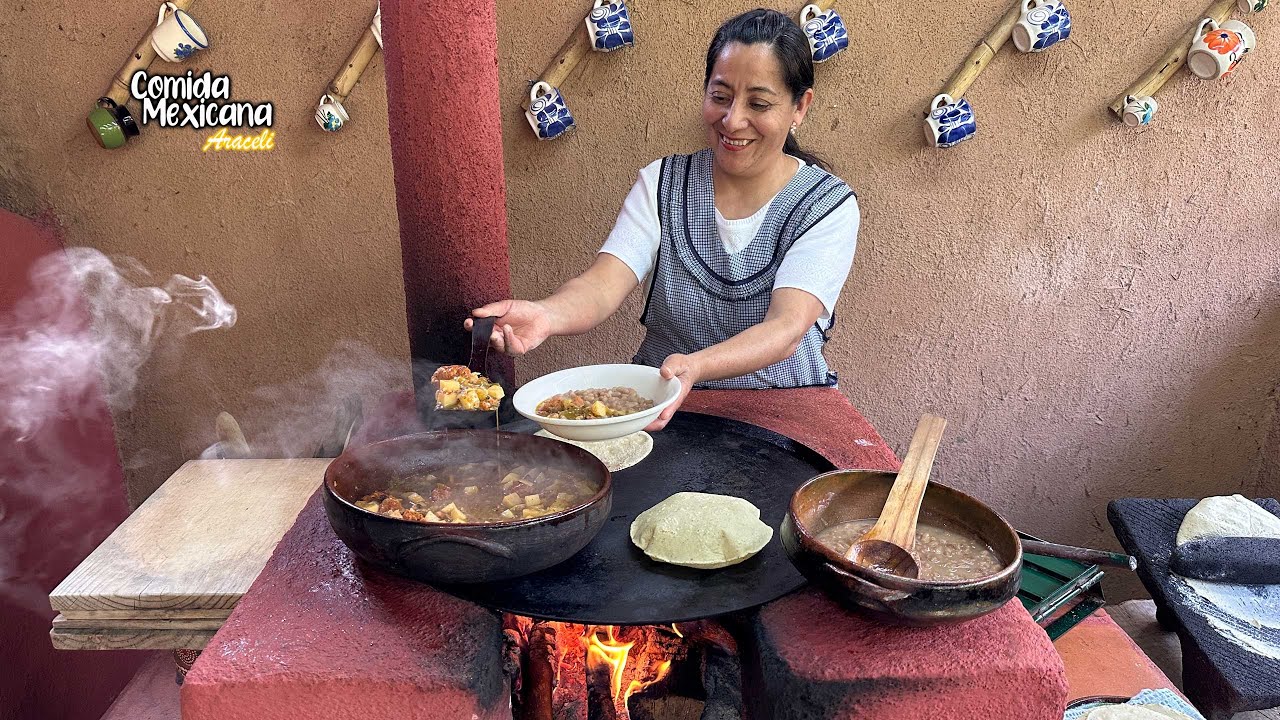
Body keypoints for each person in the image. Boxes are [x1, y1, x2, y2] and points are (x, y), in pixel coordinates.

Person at [468, 8, 860, 431]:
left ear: (800, 106)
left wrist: (697, 366)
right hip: (664, 411)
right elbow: (603, 284)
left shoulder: (826, 205)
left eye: (759, 103)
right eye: (721, 96)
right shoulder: (662, 183)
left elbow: (786, 328)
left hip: (785, 415)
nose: (733, 120)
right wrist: (546, 315)